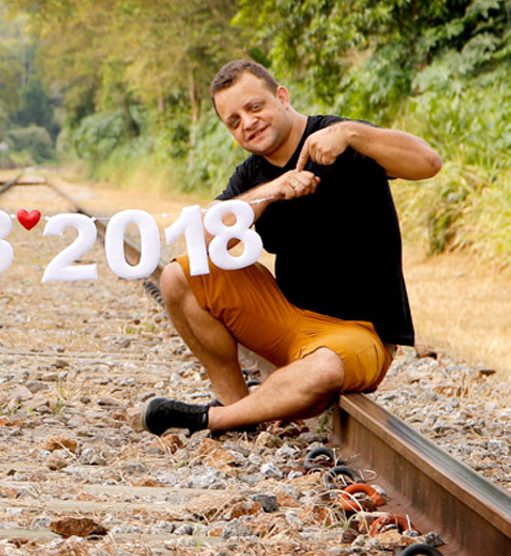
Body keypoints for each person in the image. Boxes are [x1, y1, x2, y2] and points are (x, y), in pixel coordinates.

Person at [143, 60, 441, 437]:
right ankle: (234, 401)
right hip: (287, 321)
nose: (247, 123)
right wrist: (271, 191)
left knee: (325, 370)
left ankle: (216, 419)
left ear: (281, 97)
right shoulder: (251, 174)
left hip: (358, 333)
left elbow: (428, 163)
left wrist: (351, 133)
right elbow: (201, 243)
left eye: (254, 108)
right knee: (179, 275)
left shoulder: (341, 138)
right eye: (233, 121)